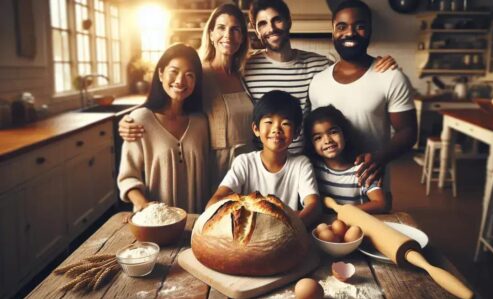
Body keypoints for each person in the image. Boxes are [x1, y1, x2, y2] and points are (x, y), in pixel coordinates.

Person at [120, 4, 255, 192]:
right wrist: (129, 121)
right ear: (210, 34)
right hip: (212, 167)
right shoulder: (196, 72)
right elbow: (168, 101)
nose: (228, 35)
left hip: (248, 163)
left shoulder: (245, 72)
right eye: (221, 28)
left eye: (235, 29)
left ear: (242, 37)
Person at [244, 0, 398, 154]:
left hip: (306, 163)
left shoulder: (320, 65)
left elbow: (353, 71)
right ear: (256, 31)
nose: (271, 28)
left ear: (289, 21)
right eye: (262, 24)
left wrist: (379, 64)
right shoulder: (247, 68)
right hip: (264, 165)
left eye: (277, 20)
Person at [309, 0, 417, 211]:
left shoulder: (391, 77)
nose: (350, 33)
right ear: (332, 32)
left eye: (359, 26)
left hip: (370, 189)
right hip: (326, 191)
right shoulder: (318, 81)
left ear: (369, 31)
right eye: (342, 26)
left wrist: (379, 158)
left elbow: (409, 131)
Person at [117, 43, 209, 213]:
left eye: (189, 75)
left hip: (198, 222)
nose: (180, 81)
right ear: (160, 74)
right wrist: (142, 204)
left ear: (196, 82)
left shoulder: (201, 122)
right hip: (157, 222)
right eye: (173, 72)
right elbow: (128, 177)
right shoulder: (139, 120)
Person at [207, 90, 321, 227]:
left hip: (287, 232)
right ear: (256, 129)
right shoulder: (244, 162)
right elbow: (214, 203)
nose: (276, 129)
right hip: (248, 232)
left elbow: (314, 206)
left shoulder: (301, 164)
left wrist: (293, 225)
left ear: (296, 132)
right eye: (269, 122)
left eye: (285, 123)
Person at [303, 105, 387, 213]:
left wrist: (345, 212)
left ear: (345, 134)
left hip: (355, 227)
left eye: (333, 132)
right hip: (323, 228)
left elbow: (381, 204)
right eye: (318, 138)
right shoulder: (312, 169)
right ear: (312, 145)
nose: (327, 140)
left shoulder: (362, 171)